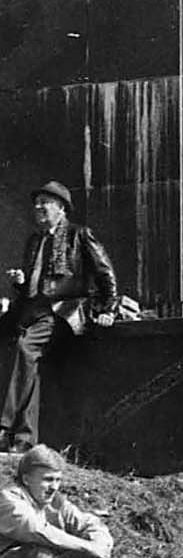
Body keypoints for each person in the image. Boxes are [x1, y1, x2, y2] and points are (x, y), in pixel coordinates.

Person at [0, 182, 119, 452]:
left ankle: (3, 425)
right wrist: (21, 281)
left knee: (26, 348)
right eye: (37, 202)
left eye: (46, 202)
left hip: (63, 311)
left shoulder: (79, 235)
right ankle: (23, 440)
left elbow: (106, 275)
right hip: (34, 310)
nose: (38, 207)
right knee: (29, 363)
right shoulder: (35, 240)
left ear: (61, 209)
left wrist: (108, 310)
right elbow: (36, 283)